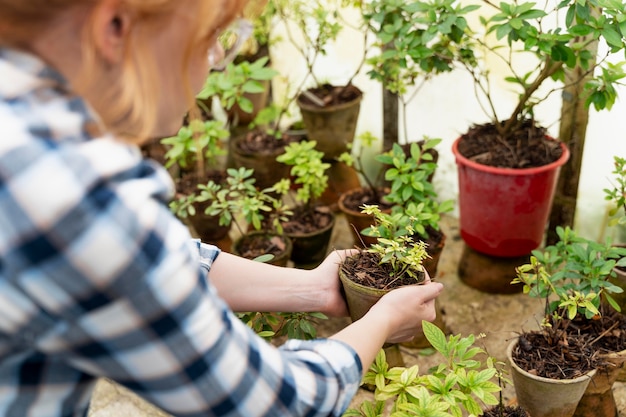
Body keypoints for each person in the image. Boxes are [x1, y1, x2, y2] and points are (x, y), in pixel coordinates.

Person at [0, 1, 444, 416]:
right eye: (210, 34)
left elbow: (162, 260)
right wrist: (384, 319)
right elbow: (278, 401)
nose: (214, 59)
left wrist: (310, 288)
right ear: (114, 25)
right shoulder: (74, 194)